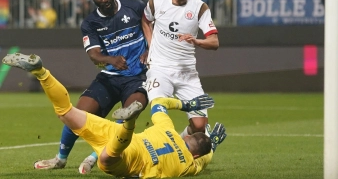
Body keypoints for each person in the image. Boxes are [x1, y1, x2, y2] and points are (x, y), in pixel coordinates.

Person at [2, 53, 227, 178]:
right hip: (127, 159)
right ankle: (128, 122)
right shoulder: (186, 165)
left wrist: (186, 104)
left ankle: (42, 73)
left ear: (186, 137)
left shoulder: (167, 129)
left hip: (114, 134)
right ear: (195, 156)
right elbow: (203, 162)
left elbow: (159, 102)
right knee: (106, 159)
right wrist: (213, 146)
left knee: (67, 112)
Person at [33, 0, 148, 174]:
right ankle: (60, 159)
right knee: (75, 115)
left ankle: (95, 156)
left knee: (128, 115)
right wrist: (112, 60)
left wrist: (150, 49)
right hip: (109, 76)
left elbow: (151, 28)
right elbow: (94, 54)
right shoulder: (90, 23)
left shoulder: (135, 6)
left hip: (138, 77)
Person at [141, 0, 219, 142]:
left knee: (199, 126)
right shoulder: (156, 3)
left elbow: (214, 42)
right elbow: (145, 20)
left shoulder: (200, 7)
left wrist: (197, 41)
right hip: (160, 68)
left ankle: (179, 142)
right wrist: (151, 45)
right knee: (160, 115)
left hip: (187, 72)